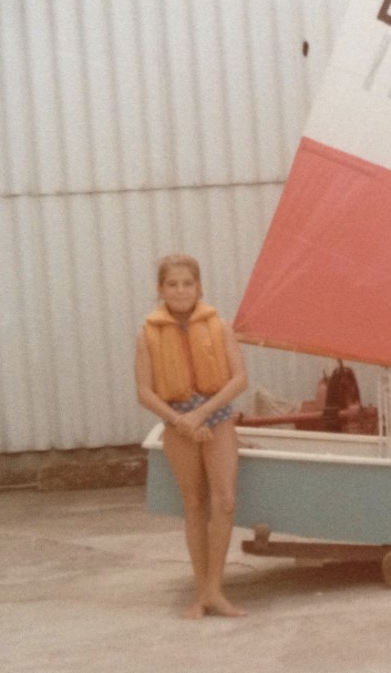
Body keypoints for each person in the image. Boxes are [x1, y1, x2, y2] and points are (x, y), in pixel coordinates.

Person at [134, 253, 249, 618]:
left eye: (187, 283)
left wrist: (201, 414)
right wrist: (181, 420)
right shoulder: (148, 334)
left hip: (217, 420)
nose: (181, 290)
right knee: (194, 503)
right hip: (178, 426)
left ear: (199, 287)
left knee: (225, 501)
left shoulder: (220, 326)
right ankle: (201, 593)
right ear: (161, 289)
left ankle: (215, 589)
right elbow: (144, 392)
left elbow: (239, 379)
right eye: (172, 284)